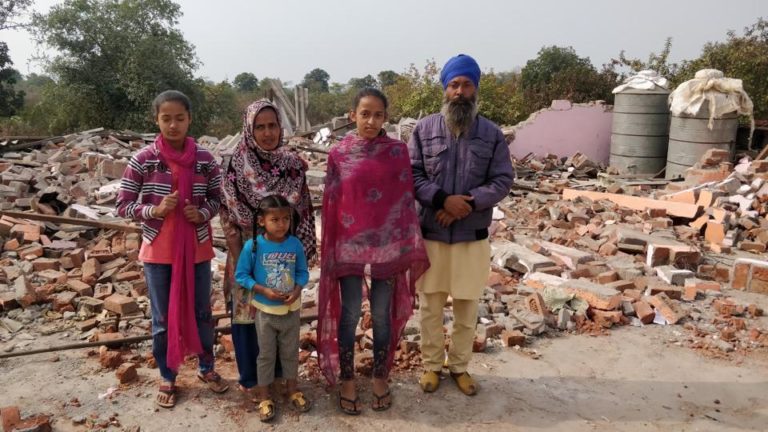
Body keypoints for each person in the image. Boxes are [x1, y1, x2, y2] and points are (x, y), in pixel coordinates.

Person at [317, 88, 430, 415]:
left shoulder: (397, 152)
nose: (370, 120)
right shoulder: (339, 153)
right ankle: (348, 378)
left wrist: (404, 244)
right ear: (352, 114)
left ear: (386, 118)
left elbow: (404, 200)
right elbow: (332, 203)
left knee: (382, 314)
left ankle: (381, 375)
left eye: (377, 114)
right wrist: (332, 248)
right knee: (350, 312)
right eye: (364, 113)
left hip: (388, 247)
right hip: (349, 246)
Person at [408, 54, 514, 396]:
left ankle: (460, 367)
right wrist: (441, 200)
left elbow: (502, 179)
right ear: (445, 89)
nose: (460, 91)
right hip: (432, 234)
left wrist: (465, 202)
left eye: (467, 84)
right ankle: (431, 366)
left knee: (467, 308)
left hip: (472, 234)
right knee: (430, 308)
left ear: (475, 89)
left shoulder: (492, 134)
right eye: (454, 84)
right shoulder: (424, 131)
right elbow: (412, 175)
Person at [117, 90, 228, 408]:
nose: (173, 125)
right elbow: (122, 205)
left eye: (180, 118)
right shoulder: (143, 159)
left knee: (202, 313)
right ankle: (168, 374)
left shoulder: (205, 160)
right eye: (166, 119)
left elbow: (217, 199)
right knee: (163, 318)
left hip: (196, 250)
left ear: (189, 119)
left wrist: (202, 213)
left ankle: (207, 367)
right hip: (157, 252)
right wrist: (154, 211)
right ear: (157, 120)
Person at [219, 100, 317, 402]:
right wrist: (239, 261)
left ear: (281, 127)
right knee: (249, 321)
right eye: (259, 127)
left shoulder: (291, 166)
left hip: (284, 260)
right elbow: (228, 216)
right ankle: (252, 380)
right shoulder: (236, 164)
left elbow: (301, 211)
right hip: (246, 257)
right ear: (249, 129)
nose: (267, 133)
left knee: (281, 321)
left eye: (272, 125)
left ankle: (279, 378)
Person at [235, 195, 312, 422]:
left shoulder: (294, 244)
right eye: (275, 220)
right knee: (266, 355)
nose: (281, 224)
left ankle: (292, 389)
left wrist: (297, 290)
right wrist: (261, 290)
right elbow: (241, 275)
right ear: (262, 221)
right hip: (266, 312)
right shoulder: (253, 246)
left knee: (290, 353)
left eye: (285, 219)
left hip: (291, 311)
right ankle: (265, 395)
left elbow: (302, 272)